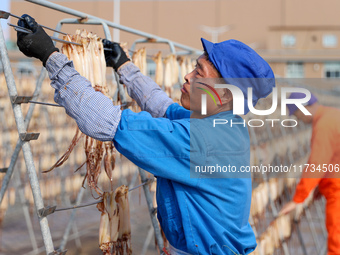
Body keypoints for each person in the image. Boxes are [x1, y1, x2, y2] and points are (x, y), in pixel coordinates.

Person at [16, 14, 275, 255]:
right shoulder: (225, 126)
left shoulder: (200, 141)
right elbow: (163, 107)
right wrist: (124, 67)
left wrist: (51, 57)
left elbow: (106, 121)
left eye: (199, 72)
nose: (187, 75)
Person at [280, 92, 340, 255]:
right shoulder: (331, 115)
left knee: (337, 240)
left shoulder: (325, 124)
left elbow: (317, 164)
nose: (298, 119)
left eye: (297, 114)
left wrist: (298, 198)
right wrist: (321, 187)